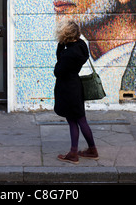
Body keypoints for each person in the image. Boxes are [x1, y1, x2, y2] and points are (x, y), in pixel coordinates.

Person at [54, 19, 98, 164]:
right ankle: (92, 150)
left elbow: (58, 71)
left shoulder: (68, 54)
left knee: (73, 121)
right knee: (81, 119)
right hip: (76, 87)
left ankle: (73, 153)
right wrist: (64, 44)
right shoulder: (81, 46)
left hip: (68, 89)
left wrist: (60, 47)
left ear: (65, 35)